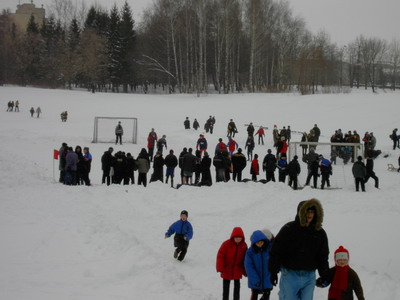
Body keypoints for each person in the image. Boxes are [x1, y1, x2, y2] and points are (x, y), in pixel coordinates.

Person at [269, 199, 330, 300]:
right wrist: (273, 271)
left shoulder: (319, 233)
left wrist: (324, 274)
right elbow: (276, 251)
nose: (310, 215)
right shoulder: (289, 229)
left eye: (312, 212)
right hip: (290, 274)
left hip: (309, 276)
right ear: (301, 213)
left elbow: (322, 256)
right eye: (307, 212)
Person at [216, 227, 248, 300]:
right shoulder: (226, 244)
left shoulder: (244, 245)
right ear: (233, 237)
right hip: (226, 268)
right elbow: (220, 255)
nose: (238, 239)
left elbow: (245, 259)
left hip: (237, 269)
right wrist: (220, 267)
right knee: (226, 288)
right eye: (236, 238)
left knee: (237, 287)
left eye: (240, 238)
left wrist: (245, 271)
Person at [245, 230, 273, 300]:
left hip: (267, 279)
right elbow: (249, 267)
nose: (260, 244)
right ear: (254, 243)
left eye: (261, 242)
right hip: (255, 281)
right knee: (254, 296)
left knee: (266, 296)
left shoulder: (269, 249)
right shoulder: (250, 252)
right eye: (258, 243)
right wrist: (255, 280)